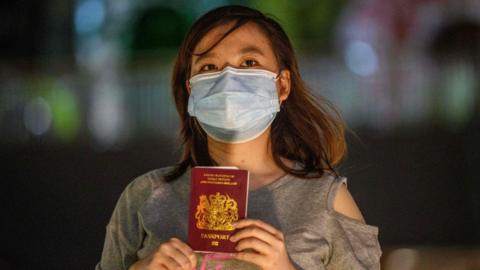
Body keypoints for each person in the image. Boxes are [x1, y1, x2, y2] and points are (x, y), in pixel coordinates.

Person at [96, 5, 381, 270]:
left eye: (248, 62)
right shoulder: (145, 195)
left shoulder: (327, 200)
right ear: (192, 90)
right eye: (209, 67)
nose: (228, 78)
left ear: (282, 85)